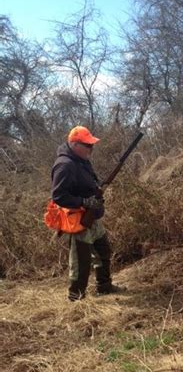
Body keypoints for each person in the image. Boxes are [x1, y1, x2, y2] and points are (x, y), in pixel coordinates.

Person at [51, 125, 122, 301]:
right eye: (88, 145)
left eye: (92, 145)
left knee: (103, 251)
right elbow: (58, 196)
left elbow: (88, 183)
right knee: (81, 262)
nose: (91, 149)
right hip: (78, 220)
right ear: (75, 144)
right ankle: (76, 297)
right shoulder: (64, 165)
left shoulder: (82, 160)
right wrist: (83, 202)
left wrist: (96, 192)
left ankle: (104, 286)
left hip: (93, 216)